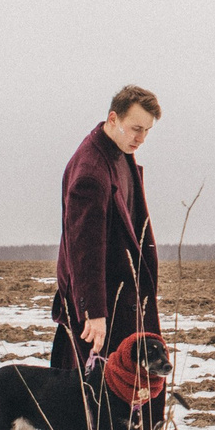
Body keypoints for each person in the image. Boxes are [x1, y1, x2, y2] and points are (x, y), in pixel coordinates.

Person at [53, 85, 162, 373]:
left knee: (123, 401)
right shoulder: (91, 171)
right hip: (103, 313)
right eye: (136, 128)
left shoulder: (120, 152)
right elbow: (84, 249)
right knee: (95, 402)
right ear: (113, 119)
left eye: (148, 130)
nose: (141, 138)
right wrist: (94, 313)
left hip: (123, 303)